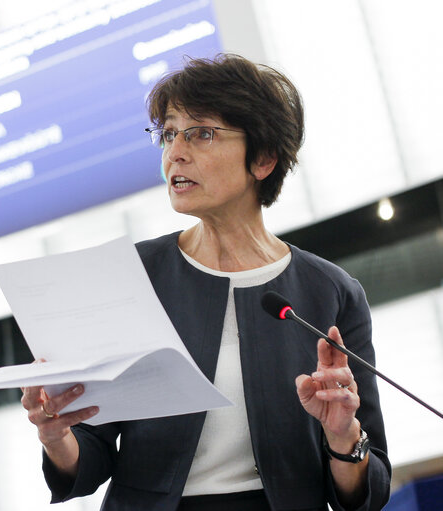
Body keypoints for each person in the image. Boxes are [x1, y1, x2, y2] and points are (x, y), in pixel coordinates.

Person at [21, 53, 391, 511]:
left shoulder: (331, 292)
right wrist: (56, 435)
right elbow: (89, 454)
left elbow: (366, 489)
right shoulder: (134, 276)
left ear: (263, 159)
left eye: (202, 133)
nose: (175, 151)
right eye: (169, 133)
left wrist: (342, 434)